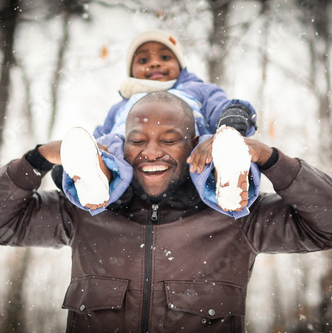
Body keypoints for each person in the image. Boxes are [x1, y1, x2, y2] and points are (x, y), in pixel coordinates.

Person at [0, 91, 332, 333]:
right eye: (137, 140)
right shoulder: (85, 214)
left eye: (169, 140)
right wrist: (38, 159)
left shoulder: (238, 217)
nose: (152, 151)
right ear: (120, 148)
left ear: (195, 145)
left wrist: (271, 159)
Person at [56, 29, 259, 218]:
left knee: (211, 146)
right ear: (131, 70)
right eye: (143, 59)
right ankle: (96, 179)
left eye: (165, 57)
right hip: (132, 170)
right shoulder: (123, 105)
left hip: (186, 165)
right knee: (112, 144)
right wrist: (90, 152)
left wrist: (231, 124)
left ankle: (228, 182)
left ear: (181, 65)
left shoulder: (197, 90)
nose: (154, 64)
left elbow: (222, 108)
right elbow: (100, 137)